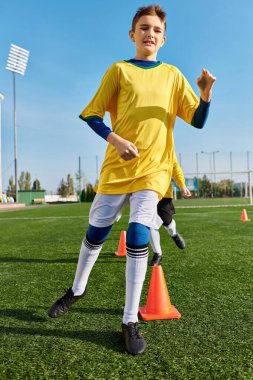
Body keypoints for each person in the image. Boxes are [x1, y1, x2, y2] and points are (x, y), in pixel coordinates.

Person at [48, 5, 216, 355]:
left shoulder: (172, 75)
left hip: (153, 171)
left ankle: (129, 320)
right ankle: (77, 290)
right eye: (143, 27)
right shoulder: (119, 70)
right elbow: (92, 114)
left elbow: (197, 121)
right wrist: (115, 139)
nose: (149, 33)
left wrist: (204, 95)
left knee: (140, 232)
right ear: (132, 34)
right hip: (115, 170)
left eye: (156, 29)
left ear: (163, 38)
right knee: (96, 232)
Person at [149, 154, 191, 266]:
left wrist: (182, 186)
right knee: (150, 223)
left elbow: (176, 169)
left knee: (167, 221)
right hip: (146, 191)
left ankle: (174, 233)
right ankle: (157, 253)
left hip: (164, 193)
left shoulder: (168, 150)